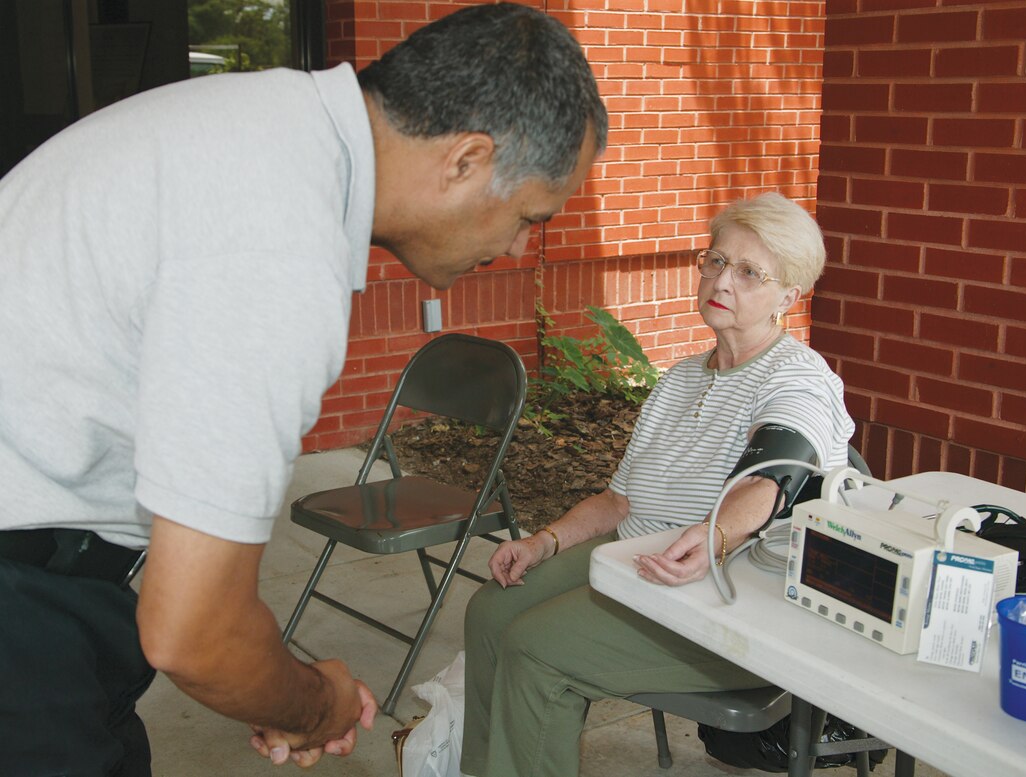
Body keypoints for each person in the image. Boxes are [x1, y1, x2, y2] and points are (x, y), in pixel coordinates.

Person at [0, 4, 607, 775]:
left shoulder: (267, 127)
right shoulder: (278, 241)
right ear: (466, 161)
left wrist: (265, 685)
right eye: (529, 216)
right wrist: (313, 704)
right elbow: (194, 629)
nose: (518, 246)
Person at [460, 192, 855, 777]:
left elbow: (776, 475)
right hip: (642, 557)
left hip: (737, 595)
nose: (724, 280)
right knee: (492, 611)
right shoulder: (681, 378)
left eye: (750, 272)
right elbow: (620, 501)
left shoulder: (798, 377)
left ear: (788, 297)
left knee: (537, 648)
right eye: (717, 261)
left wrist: (715, 535)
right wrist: (544, 541)